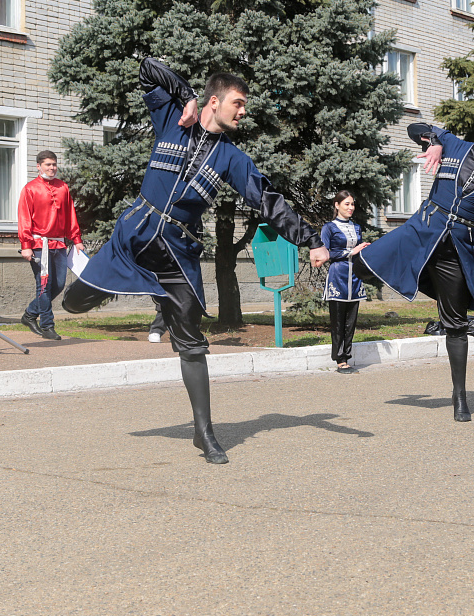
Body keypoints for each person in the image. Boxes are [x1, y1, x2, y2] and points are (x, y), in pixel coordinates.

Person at [61, 59, 329, 465]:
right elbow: (147, 68)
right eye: (238, 103)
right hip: (133, 236)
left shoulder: (232, 159)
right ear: (215, 100)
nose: (243, 112)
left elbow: (268, 202)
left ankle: (204, 432)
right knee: (73, 305)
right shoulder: (172, 117)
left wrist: (309, 239)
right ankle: (129, 292)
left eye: (244, 106)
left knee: (192, 343)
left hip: (176, 253)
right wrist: (185, 96)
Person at [355, 113, 474, 421]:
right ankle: (347, 256)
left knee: (456, 324)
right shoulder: (454, 145)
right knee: (361, 265)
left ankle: (459, 396)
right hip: (421, 231)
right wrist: (434, 144)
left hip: (457, 249)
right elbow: (415, 128)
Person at [17, 150, 84, 341]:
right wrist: (26, 244)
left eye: (54, 164)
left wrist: (77, 240)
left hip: (60, 244)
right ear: (38, 166)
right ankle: (47, 326)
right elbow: (24, 218)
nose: (52, 168)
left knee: (59, 284)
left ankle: (30, 314)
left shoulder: (63, 187)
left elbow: (71, 214)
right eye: (48, 164)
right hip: (39, 244)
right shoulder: (30, 189)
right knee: (44, 285)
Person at [321, 190, 370, 373]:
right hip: (338, 277)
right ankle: (339, 359)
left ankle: (347, 357)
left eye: (352, 204)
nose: (351, 207)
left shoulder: (357, 228)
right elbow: (325, 254)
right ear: (337, 205)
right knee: (338, 321)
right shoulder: (329, 227)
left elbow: (359, 251)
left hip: (355, 278)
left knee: (351, 321)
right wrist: (351, 252)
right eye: (347, 204)